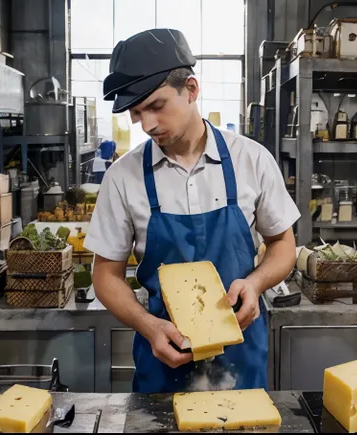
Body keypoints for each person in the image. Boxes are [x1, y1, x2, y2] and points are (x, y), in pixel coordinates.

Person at [84, 29, 300, 393]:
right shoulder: (123, 177)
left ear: (192, 89)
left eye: (155, 106)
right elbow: (105, 275)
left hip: (240, 357)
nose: (147, 124)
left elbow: (283, 245)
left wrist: (255, 282)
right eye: (137, 113)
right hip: (164, 360)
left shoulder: (252, 160)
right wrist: (148, 326)